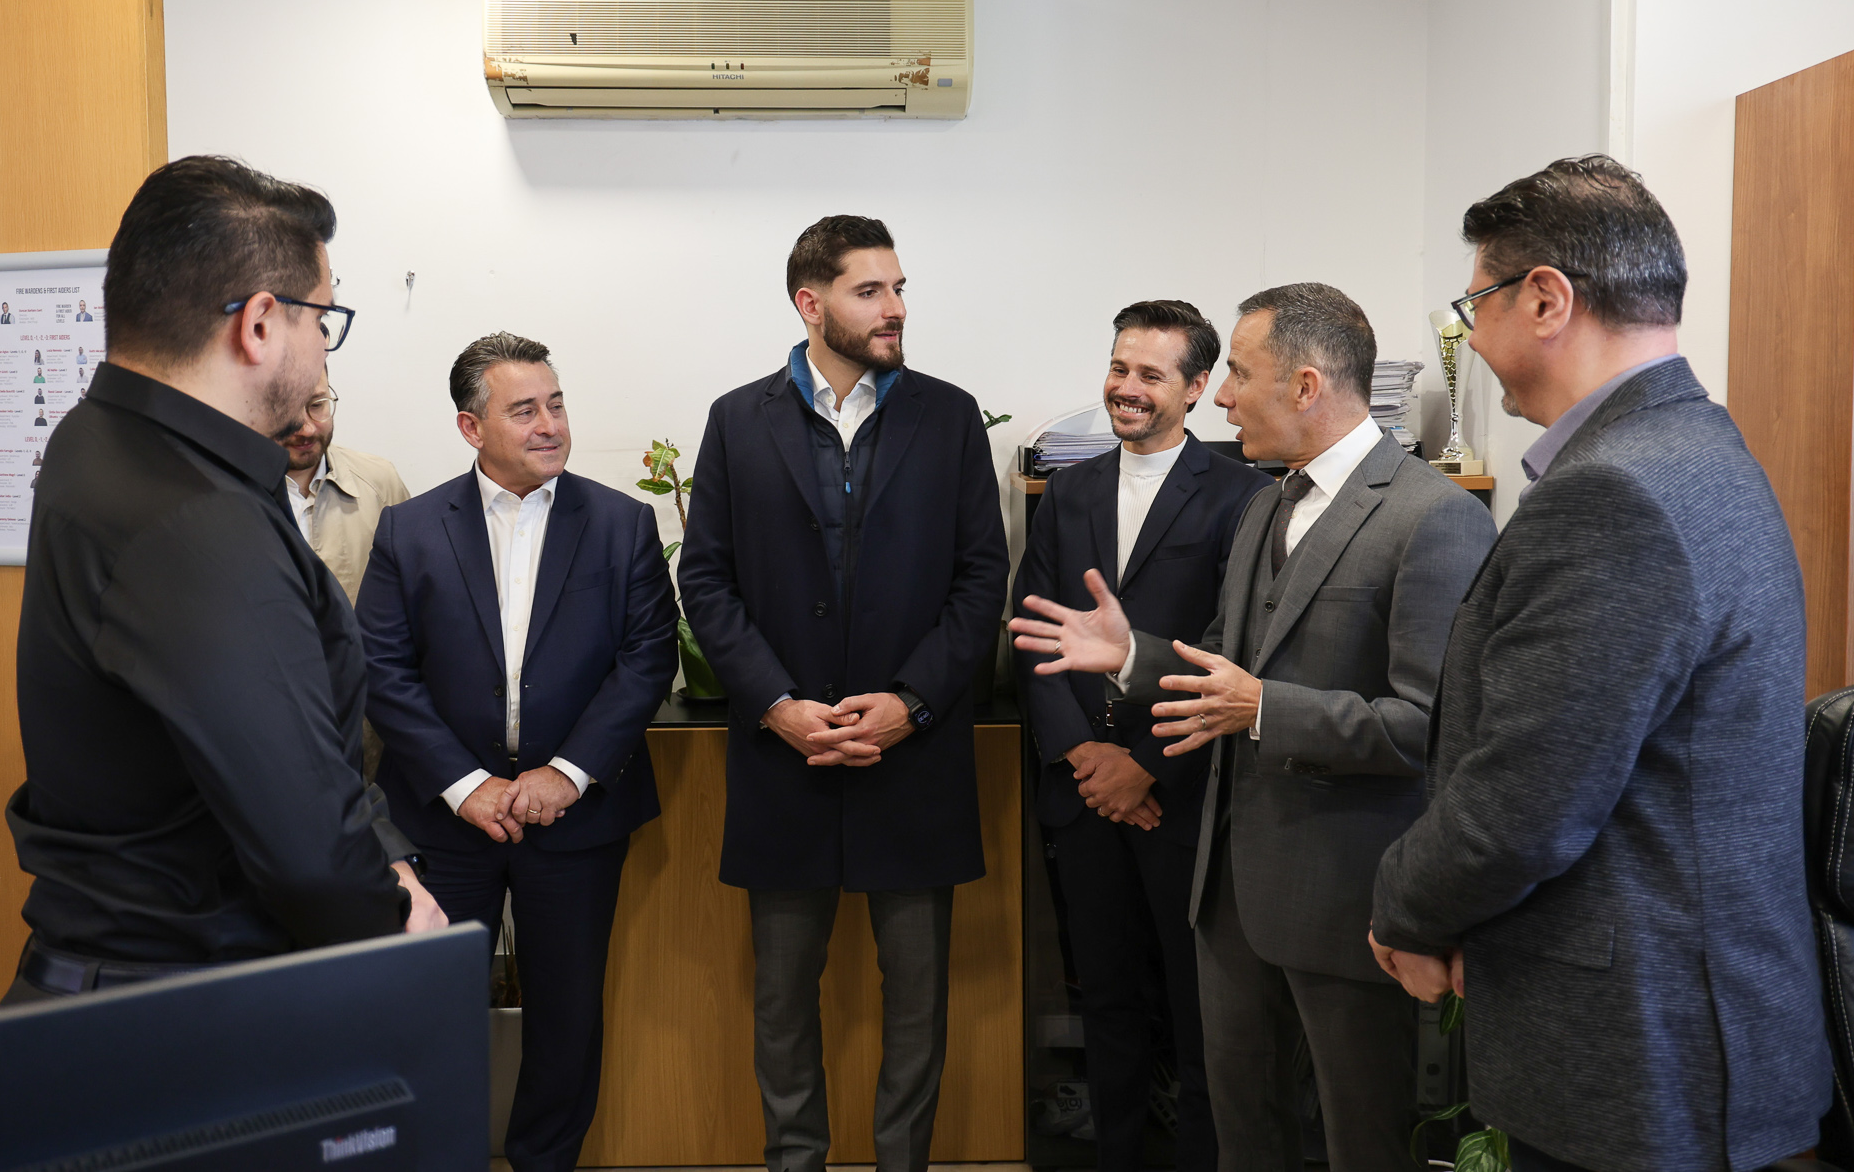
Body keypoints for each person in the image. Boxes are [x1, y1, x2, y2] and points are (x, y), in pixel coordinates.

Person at [1368, 157, 1832, 1172]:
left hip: (1642, 1058)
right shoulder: (1698, 450)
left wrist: (1403, 904)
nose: (1471, 337)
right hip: (1694, 1032)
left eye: (1474, 305)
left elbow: (1520, 803)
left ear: (1544, 299)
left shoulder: (1611, 494)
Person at [1014, 282, 1496, 1171]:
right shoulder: (1268, 506)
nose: (1224, 397)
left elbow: (1429, 728)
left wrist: (1266, 708)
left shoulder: (1435, 517)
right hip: (1228, 895)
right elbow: (1219, 657)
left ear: (1306, 386)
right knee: (1245, 1134)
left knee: (1360, 1141)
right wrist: (1130, 655)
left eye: (1238, 374)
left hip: (1344, 900)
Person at [4, 154, 445, 1007]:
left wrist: (381, 850)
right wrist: (398, 917)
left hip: (110, 983)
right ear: (260, 324)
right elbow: (310, 854)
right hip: (182, 1009)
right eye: (324, 319)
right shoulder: (199, 521)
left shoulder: (99, 436)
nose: (322, 353)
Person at [678, 215, 1009, 1172]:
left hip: (915, 757)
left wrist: (911, 702)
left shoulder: (949, 415)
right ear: (810, 303)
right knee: (783, 1000)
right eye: (871, 291)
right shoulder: (737, 419)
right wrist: (775, 704)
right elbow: (707, 581)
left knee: (918, 999)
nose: (895, 307)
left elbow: (980, 580)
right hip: (787, 757)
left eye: (899, 288)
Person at [359, 332, 677, 1172]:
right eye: (525, 409)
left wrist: (566, 774)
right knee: (431, 1017)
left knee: (566, 1021)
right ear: (472, 427)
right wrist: (465, 784)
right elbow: (382, 669)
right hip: (443, 820)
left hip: (575, 819)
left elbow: (648, 658)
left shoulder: (622, 523)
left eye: (557, 404)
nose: (550, 424)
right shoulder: (409, 529)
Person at [1013, 299, 1267, 1172]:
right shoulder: (1069, 490)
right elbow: (1032, 632)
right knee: (1107, 1005)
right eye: (1119, 368)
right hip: (1085, 798)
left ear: (1197, 388)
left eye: (1150, 374)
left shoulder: (1244, 495)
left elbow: (1236, 649)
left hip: (1182, 797)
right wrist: (1084, 755)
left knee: (1200, 1016)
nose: (1126, 387)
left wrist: (1145, 767)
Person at [282, 372, 410, 780]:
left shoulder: (379, 482)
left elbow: (419, 609)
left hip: (370, 725)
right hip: (275, 719)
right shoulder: (226, 492)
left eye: (318, 405)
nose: (306, 427)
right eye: (287, 409)